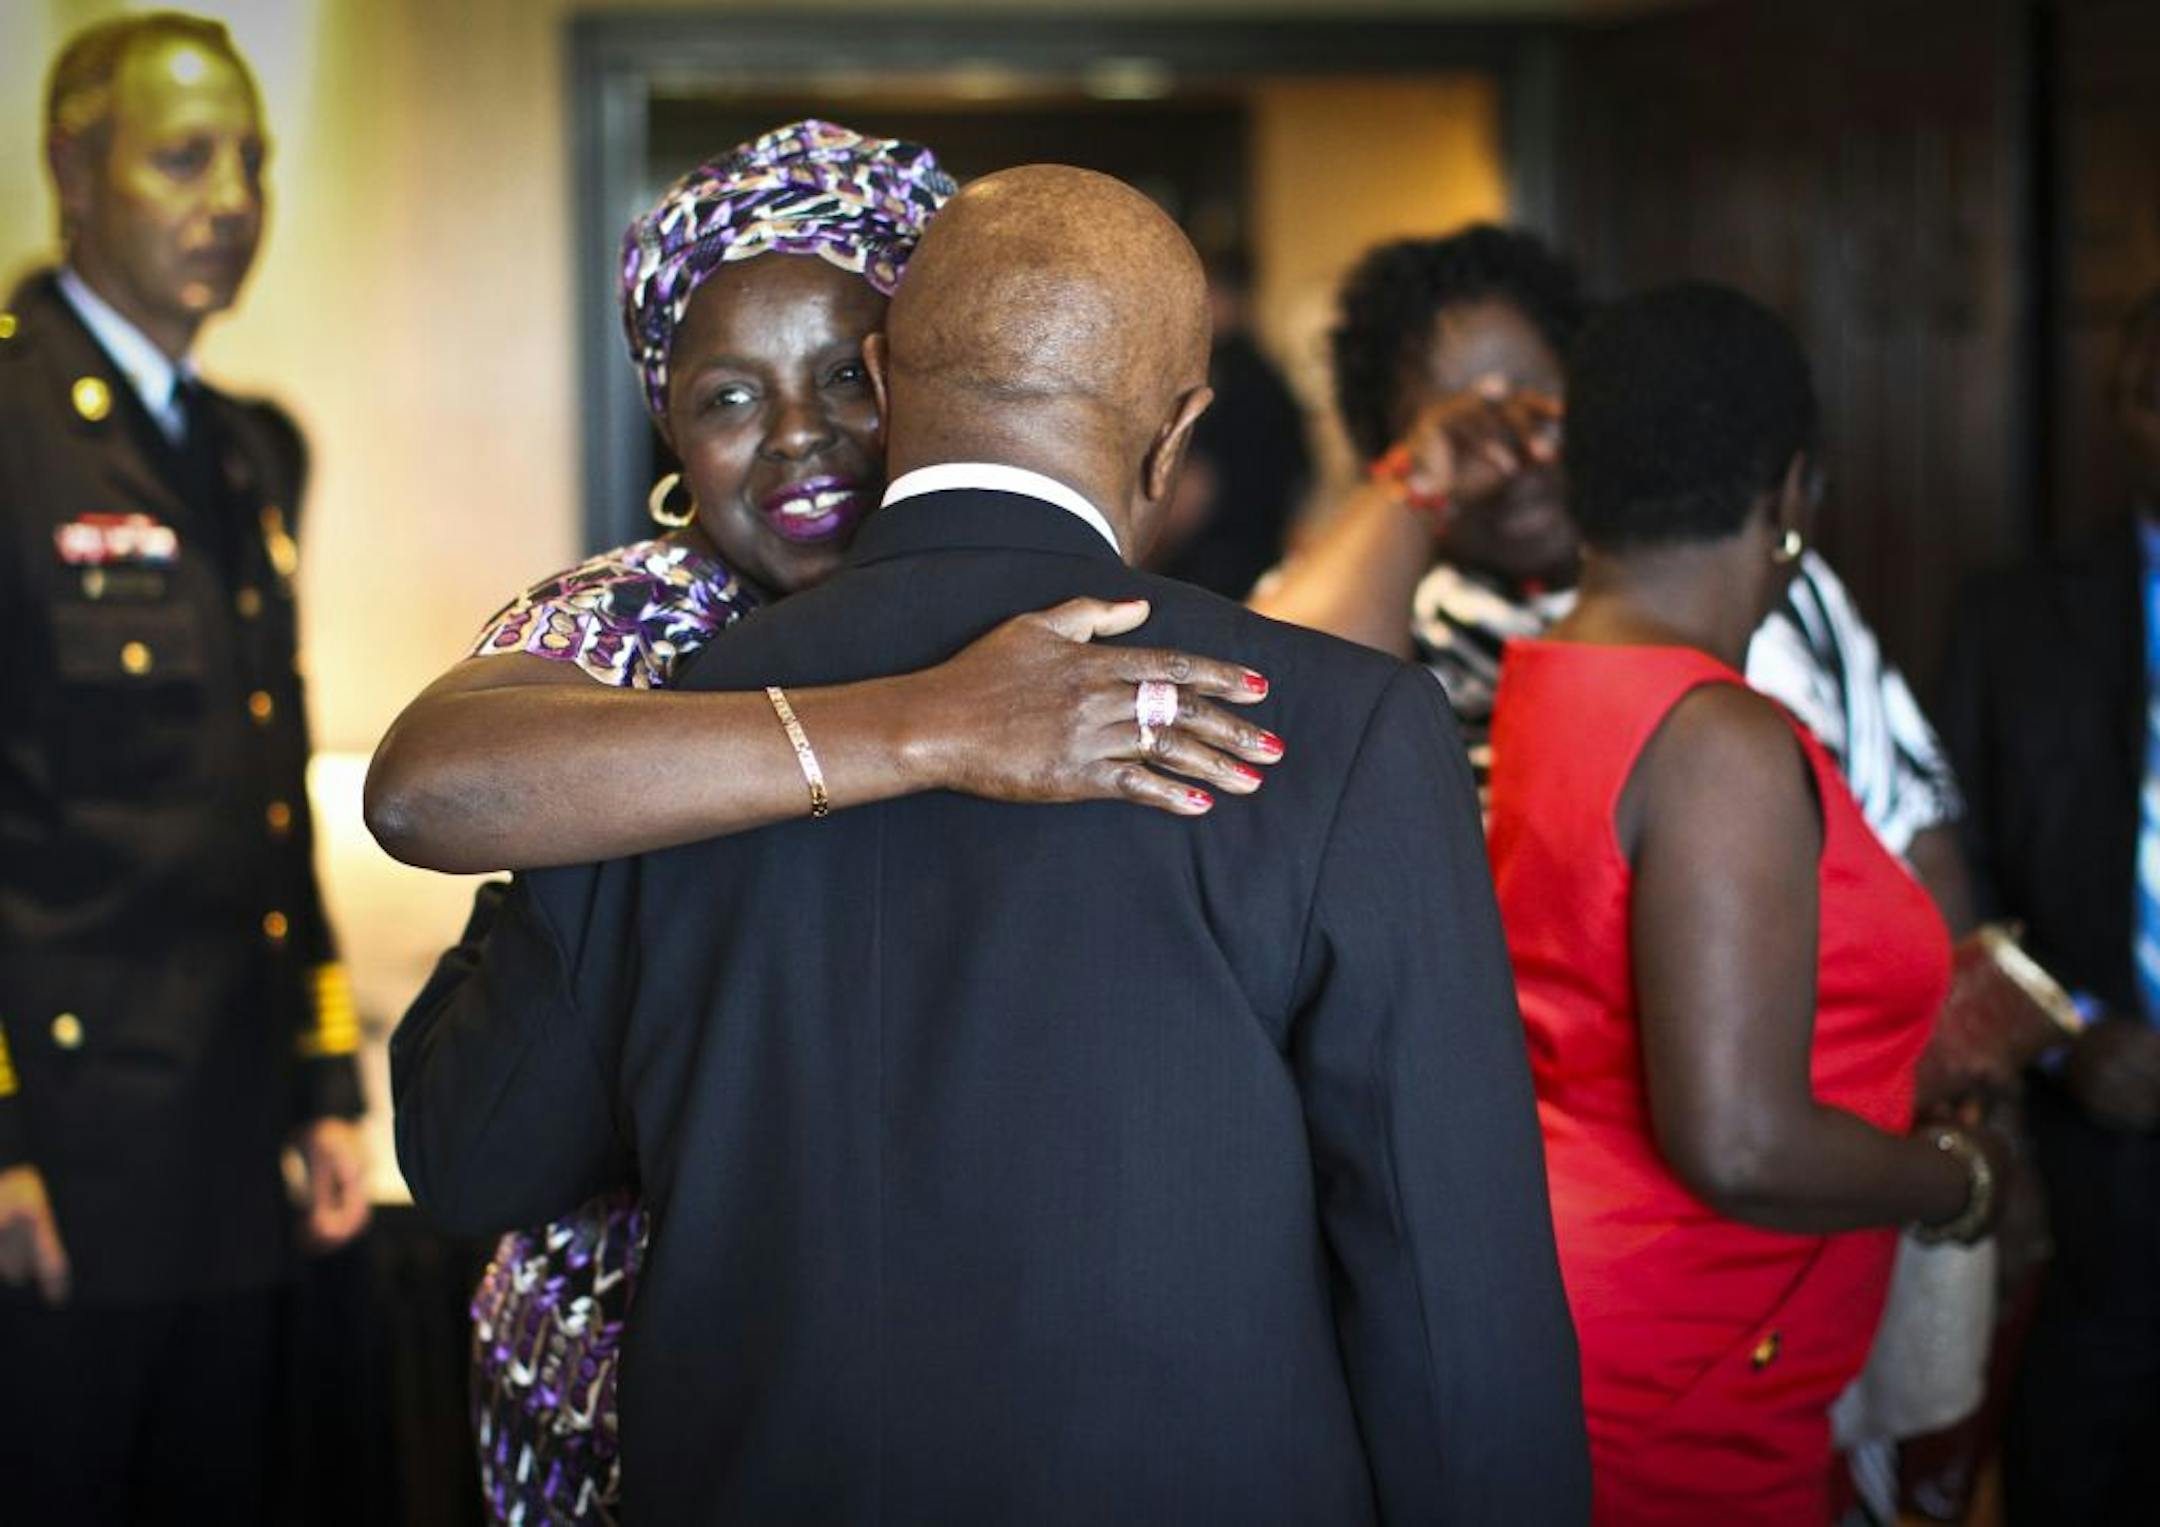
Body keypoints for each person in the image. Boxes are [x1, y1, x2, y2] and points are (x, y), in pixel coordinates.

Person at [393, 163, 1588, 1522]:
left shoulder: (657, 728)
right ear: (1175, 430)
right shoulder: (1338, 730)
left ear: (889, 377)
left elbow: (480, 1153)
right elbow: (1450, 1299)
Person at [1486, 282, 2005, 1523]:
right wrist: (1954, 1180)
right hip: (1688, 1353)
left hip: (1583, 1298)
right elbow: (1740, 1144)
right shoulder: (1713, 735)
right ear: (1786, 495)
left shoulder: (1554, 676)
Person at [0, 14, 367, 1521]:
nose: (233, 196)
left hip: (237, 1140)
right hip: (63, 1161)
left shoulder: (245, 450)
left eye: (254, 160)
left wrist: (325, 1077)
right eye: (182, 156)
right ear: (71, 172)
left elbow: (266, 791)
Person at [1251, 227, 1974, 924]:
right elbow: (1290, 704)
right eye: (1462, 428)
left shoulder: (1757, 563)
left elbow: (1915, 824)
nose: (1513, 455)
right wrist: (1424, 473)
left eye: (1538, 404)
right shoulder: (1398, 601)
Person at [1944, 287, 2160, 1521]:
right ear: (2128, 405)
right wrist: (2071, 1033)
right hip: (2086, 1157)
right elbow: (1957, 873)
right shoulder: (2015, 617)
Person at [1147, 248, 1313, 597]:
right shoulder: (1272, 378)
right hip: (1263, 564)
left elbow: (1194, 490)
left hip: (1210, 570)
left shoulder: (1222, 379)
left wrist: (1142, 561)